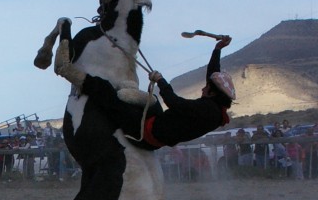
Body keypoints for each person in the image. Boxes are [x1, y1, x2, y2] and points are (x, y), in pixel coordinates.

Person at [55, 35, 235, 149]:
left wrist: (161, 80)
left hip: (148, 133)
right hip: (158, 122)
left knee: (105, 91)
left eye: (206, 88)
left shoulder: (207, 110)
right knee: (150, 99)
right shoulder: (214, 106)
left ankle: (65, 69)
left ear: (212, 93)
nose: (203, 88)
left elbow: (175, 103)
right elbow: (212, 74)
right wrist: (217, 50)